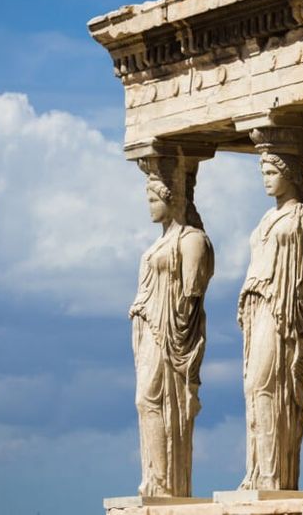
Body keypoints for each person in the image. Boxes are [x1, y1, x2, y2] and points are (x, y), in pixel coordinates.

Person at [237, 151, 303, 491]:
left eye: (272, 172)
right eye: (263, 172)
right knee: (253, 387)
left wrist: (289, 295)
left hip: (283, 310)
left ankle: (274, 475)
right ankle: (258, 471)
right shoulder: (265, 218)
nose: (266, 179)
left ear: (290, 174)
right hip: (257, 307)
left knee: (269, 385)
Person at [129, 163, 214, 497]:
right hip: (148, 329)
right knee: (145, 402)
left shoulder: (192, 240)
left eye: (154, 200)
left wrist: (173, 328)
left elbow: (191, 293)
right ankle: (155, 478)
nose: (149, 207)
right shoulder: (158, 243)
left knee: (156, 400)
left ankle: (167, 482)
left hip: (169, 333)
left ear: (172, 198)